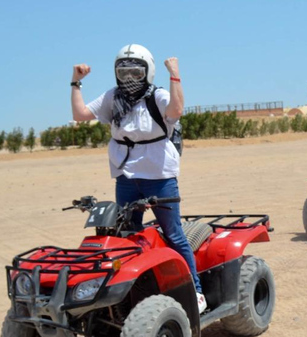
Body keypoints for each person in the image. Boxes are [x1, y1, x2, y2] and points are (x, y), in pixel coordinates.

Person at [70, 44, 207, 314]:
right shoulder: (113, 97)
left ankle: (196, 290)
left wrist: (175, 74)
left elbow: (176, 111)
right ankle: (137, 291)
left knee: (174, 234)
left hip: (159, 176)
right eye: (124, 73)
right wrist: (75, 82)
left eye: (135, 72)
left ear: (148, 72)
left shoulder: (158, 96)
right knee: (127, 236)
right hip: (126, 178)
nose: (129, 79)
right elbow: (80, 115)